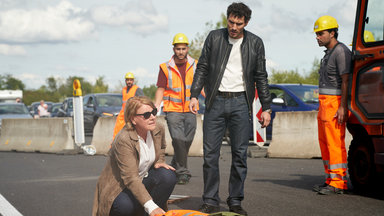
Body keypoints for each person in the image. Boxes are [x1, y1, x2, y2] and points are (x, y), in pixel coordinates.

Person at [189, 2, 272, 215]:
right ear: (227, 19)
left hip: (240, 104)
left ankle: (235, 200)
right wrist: (194, 95)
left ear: (246, 23)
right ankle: (210, 199)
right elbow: (203, 67)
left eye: (239, 23)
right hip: (215, 103)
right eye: (231, 22)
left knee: (239, 155)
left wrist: (266, 107)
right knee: (210, 155)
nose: (233, 27)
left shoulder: (255, 43)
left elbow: (261, 76)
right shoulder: (215, 37)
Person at [92, 96, 177, 216]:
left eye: (153, 112)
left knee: (168, 176)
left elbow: (162, 146)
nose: (152, 117)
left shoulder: (158, 128)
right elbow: (131, 178)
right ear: (133, 119)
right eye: (146, 115)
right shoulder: (124, 139)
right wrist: (151, 206)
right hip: (120, 186)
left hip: (142, 180)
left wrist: (160, 160)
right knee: (125, 206)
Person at [312, 15, 351, 195]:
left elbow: (346, 81)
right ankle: (330, 179)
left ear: (333, 32)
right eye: (316, 34)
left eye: (321, 33)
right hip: (324, 104)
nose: (317, 37)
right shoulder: (329, 53)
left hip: (335, 104)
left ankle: (338, 182)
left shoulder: (341, 51)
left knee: (335, 143)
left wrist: (343, 107)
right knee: (325, 143)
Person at [154, 33, 199, 185]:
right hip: (172, 109)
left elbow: (201, 87)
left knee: (187, 139)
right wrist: (156, 105)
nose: (180, 51)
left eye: (183, 48)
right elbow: (161, 88)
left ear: (187, 49)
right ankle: (182, 172)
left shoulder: (196, 65)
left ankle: (175, 162)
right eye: (178, 48)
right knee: (178, 139)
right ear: (173, 49)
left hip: (190, 108)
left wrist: (212, 100)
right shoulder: (165, 67)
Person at [112, 72, 144, 139]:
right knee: (117, 130)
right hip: (123, 114)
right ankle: (114, 146)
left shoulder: (137, 89)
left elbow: (143, 102)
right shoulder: (123, 90)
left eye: (130, 80)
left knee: (132, 132)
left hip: (132, 113)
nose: (129, 81)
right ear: (125, 81)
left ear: (133, 81)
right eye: (127, 80)